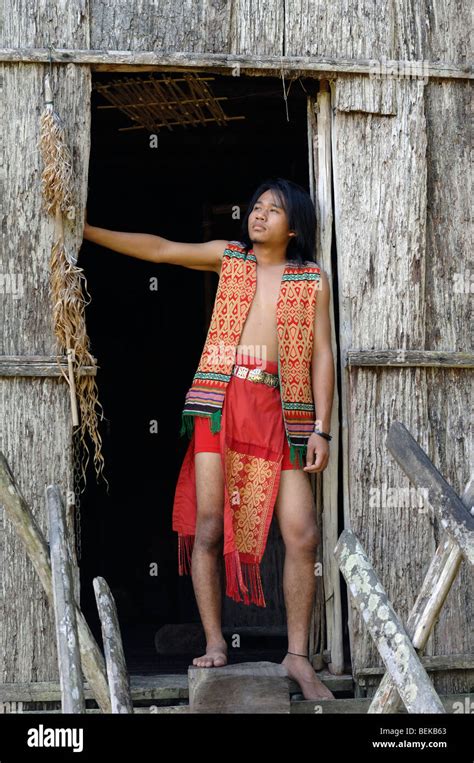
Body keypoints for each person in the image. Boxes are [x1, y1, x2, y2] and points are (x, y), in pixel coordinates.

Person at [83, 178, 335, 700]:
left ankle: (297, 656)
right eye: (258, 206)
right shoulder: (229, 258)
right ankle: (217, 642)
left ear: (295, 228)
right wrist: (84, 231)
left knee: (303, 533)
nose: (260, 215)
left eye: (274, 210)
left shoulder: (311, 280)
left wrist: (321, 429)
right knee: (208, 527)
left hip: (284, 411)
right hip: (219, 403)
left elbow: (323, 355)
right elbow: (159, 249)